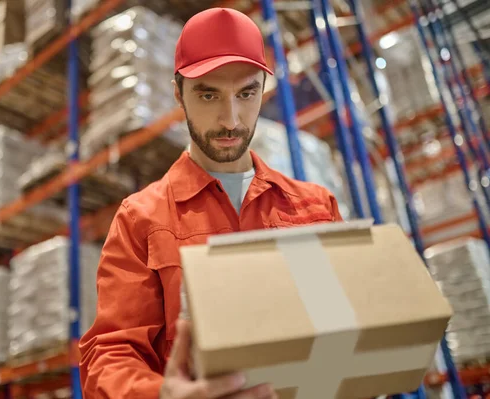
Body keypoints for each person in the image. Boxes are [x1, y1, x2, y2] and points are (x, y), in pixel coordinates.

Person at [79, 7, 343, 399]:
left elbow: (348, 325)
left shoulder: (316, 207)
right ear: (178, 93)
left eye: (247, 93)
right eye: (208, 94)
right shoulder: (141, 218)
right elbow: (111, 356)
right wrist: (163, 395)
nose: (231, 119)